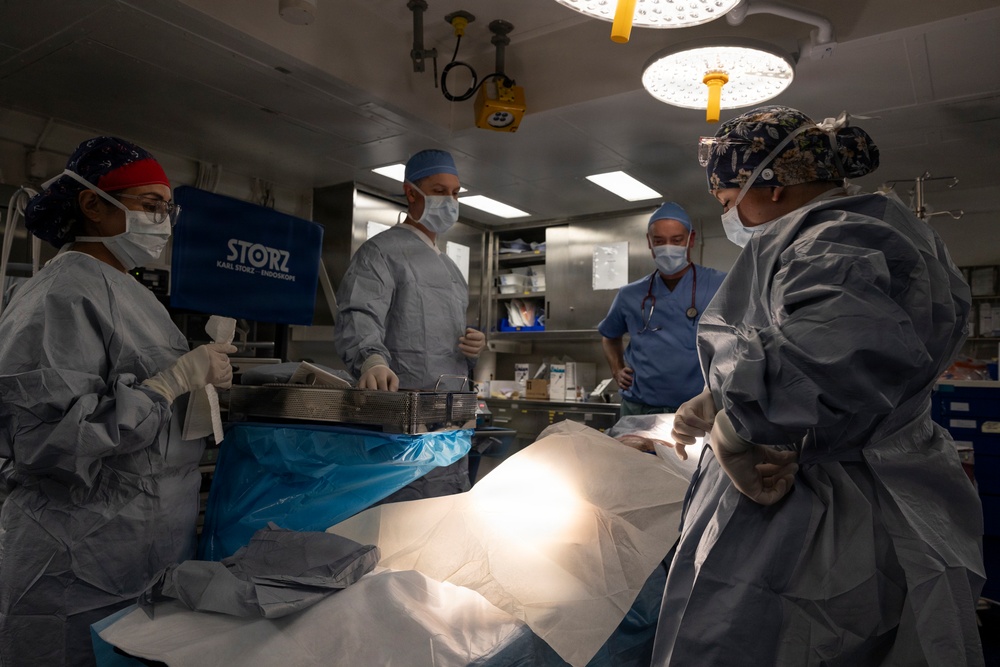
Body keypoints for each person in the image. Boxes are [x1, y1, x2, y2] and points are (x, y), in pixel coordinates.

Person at [652, 106, 985, 665]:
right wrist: (724, 396)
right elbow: (831, 349)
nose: (732, 216)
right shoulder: (871, 233)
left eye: (729, 200)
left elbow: (831, 355)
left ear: (775, 187)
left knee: (780, 640)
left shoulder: (835, 238)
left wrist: (734, 425)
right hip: (869, 476)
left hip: (833, 511)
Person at [0, 137, 236, 667]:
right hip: (76, 556)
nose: (164, 221)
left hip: (140, 543)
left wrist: (201, 383)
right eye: (150, 205)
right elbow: (46, 442)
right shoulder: (61, 293)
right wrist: (164, 387)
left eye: (167, 208)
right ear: (92, 204)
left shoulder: (130, 291)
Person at [334, 148, 485, 497]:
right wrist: (370, 358)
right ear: (411, 192)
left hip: (449, 424)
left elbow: (443, 342)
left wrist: (473, 349)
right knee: (401, 518)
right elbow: (359, 313)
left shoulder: (451, 270)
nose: (449, 200)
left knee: (444, 518)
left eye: (455, 193)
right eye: (438, 190)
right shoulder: (382, 252)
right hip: (402, 419)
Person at [598, 202, 725, 416]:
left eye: (676, 240)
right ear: (649, 242)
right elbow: (609, 336)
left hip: (698, 409)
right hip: (640, 408)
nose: (668, 248)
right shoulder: (630, 295)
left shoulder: (719, 285)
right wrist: (616, 369)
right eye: (659, 241)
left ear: (691, 239)